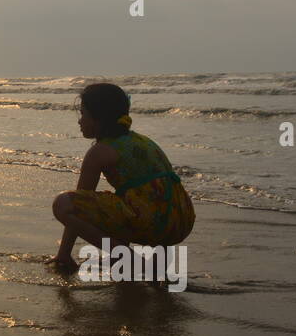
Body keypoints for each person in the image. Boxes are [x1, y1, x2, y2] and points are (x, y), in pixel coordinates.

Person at [50, 83, 194, 270]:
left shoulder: (99, 152)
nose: (79, 121)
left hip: (149, 219)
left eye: (83, 114)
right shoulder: (143, 141)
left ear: (98, 119)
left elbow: (79, 205)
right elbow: (159, 191)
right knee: (122, 199)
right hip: (180, 221)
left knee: (63, 204)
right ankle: (154, 263)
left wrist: (64, 253)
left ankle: (134, 262)